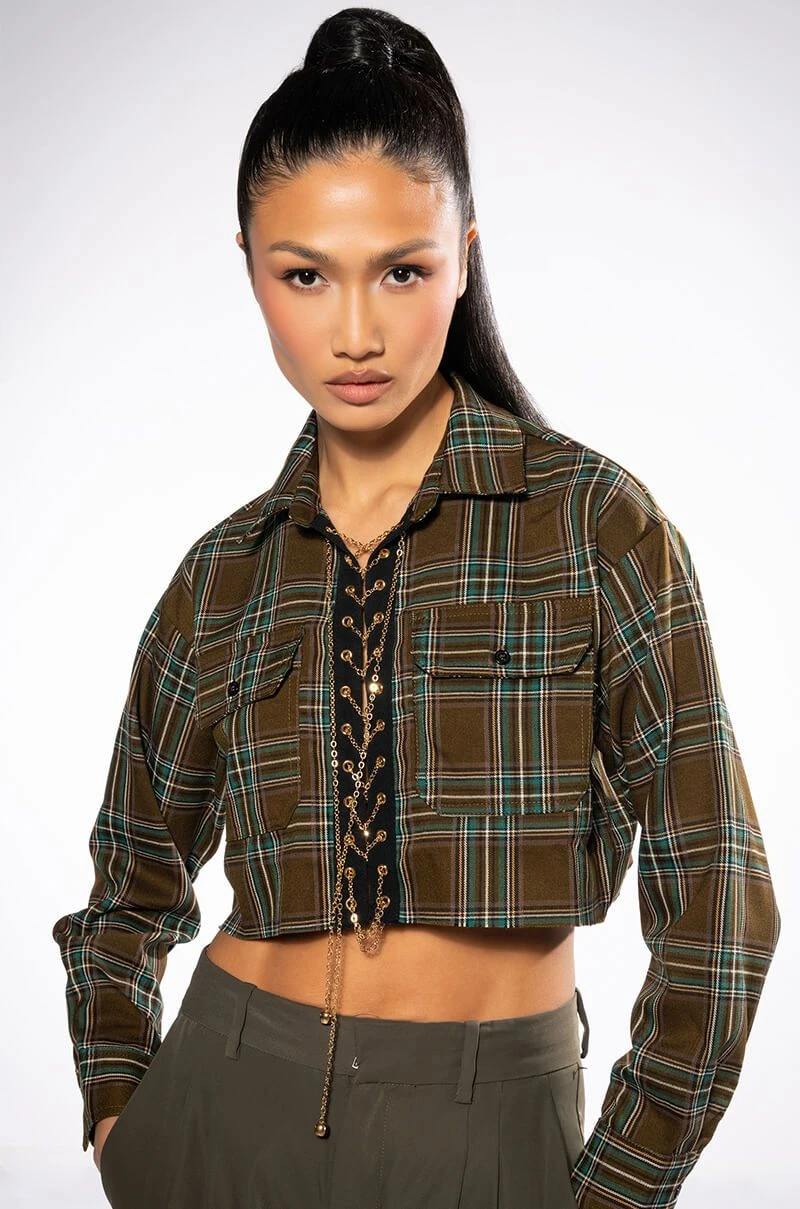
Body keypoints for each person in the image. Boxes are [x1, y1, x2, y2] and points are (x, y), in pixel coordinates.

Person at [51, 7, 781, 1208]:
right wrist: (120, 1117)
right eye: (303, 275)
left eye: (402, 270)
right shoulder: (222, 574)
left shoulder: (593, 526)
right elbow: (128, 885)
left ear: (463, 256)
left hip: (487, 1133)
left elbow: (720, 900)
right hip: (219, 1116)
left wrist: (621, 1185)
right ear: (249, 267)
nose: (355, 332)